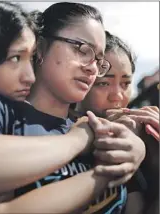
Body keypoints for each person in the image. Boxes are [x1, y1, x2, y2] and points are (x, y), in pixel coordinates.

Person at [0, 2, 146, 213]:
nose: (92, 67)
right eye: (81, 49)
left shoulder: (101, 131)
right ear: (40, 46)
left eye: (98, 59)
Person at [77, 31, 159, 214]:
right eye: (104, 83)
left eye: (126, 83)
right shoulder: (59, 134)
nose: (117, 96)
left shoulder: (139, 135)